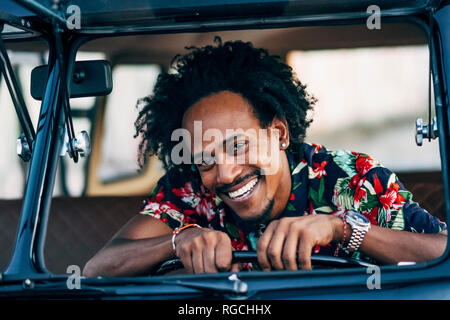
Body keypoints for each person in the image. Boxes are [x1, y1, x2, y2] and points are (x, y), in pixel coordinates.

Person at [83, 38, 447, 277]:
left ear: (279, 133)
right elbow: (95, 271)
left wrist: (343, 229)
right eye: (205, 158)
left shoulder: (351, 177)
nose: (224, 174)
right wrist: (177, 241)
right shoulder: (188, 191)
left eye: (239, 146)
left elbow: (442, 252)